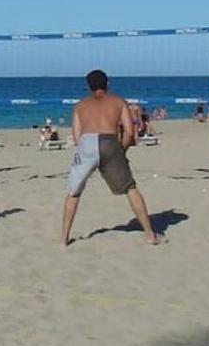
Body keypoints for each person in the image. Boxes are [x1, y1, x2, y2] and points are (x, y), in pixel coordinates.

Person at [60, 69, 158, 247]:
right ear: (108, 83)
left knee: (73, 192)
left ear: (88, 87)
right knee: (130, 188)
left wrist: (87, 152)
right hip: (110, 141)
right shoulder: (118, 101)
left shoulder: (80, 105)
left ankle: (63, 238)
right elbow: (129, 133)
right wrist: (121, 151)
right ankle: (150, 235)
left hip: (87, 143)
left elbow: (76, 137)